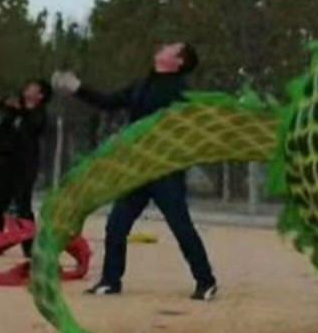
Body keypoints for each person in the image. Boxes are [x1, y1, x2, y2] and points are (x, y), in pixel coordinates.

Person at [51, 42, 217, 301]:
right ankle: (110, 281)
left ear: (178, 62)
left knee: (180, 225)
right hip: (138, 168)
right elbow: (108, 102)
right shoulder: (142, 85)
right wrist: (77, 87)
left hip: (165, 169)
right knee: (116, 225)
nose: (163, 47)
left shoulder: (181, 92)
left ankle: (205, 281)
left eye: (171, 47)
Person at [0, 79, 52, 256]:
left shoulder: (38, 115)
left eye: (33, 89)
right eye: (27, 87)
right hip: (4, 164)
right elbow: (3, 127)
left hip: (23, 167)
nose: (27, 90)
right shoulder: (16, 113)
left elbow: (22, 139)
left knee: (22, 206)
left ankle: (30, 247)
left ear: (41, 95)